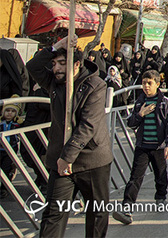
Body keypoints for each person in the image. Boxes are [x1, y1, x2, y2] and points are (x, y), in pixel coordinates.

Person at [27, 34, 113, 237]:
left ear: (76, 65)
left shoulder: (95, 85)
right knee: (53, 214)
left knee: (96, 213)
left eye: (61, 63)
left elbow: (88, 125)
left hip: (92, 160)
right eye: (54, 63)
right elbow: (32, 67)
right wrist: (57, 46)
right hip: (60, 161)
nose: (55, 68)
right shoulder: (55, 83)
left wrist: (68, 157)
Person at [112, 69, 168, 225]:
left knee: (160, 174)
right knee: (135, 177)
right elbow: (131, 122)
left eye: (150, 83)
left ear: (157, 84)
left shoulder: (163, 102)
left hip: (159, 147)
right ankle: (126, 208)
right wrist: (140, 114)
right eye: (144, 83)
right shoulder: (140, 101)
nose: (146, 86)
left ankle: (161, 197)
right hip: (143, 145)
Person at [0, 98, 21, 199]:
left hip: (10, 150)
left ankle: (4, 188)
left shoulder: (16, 124)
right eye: (7, 111)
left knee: (6, 169)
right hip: (0, 149)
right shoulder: (1, 123)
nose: (9, 113)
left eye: (12, 111)